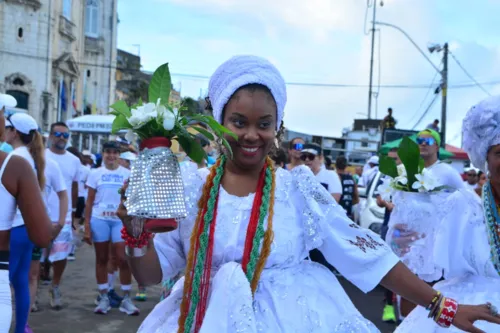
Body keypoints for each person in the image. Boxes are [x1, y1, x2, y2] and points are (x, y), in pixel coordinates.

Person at [117, 55, 498, 333]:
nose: (252, 135)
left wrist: (441, 306)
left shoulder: (297, 189)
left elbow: (366, 256)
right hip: (198, 317)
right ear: (218, 122)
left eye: (264, 124)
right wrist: (137, 233)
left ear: (277, 127)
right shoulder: (190, 187)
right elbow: (150, 275)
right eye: (238, 122)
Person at [395, 94, 500, 332]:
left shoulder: (448, 174)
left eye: (427, 141)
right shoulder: (463, 206)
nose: (423, 144)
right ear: (485, 158)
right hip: (472, 307)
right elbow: (421, 255)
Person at [0, 93, 52, 332]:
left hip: (15, 229)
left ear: (14, 132)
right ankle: (21, 328)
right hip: (25, 229)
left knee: (7, 284)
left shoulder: (14, 158)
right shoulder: (26, 157)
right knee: (19, 281)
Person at [84, 141, 139, 315]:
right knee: (101, 259)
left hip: (119, 220)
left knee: (123, 258)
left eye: (114, 152)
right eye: (107, 152)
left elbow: (132, 200)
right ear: (103, 153)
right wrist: (86, 226)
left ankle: (126, 298)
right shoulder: (95, 174)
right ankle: (104, 297)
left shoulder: (127, 174)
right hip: (99, 219)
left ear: (119, 155)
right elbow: (90, 201)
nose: (111, 155)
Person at [44, 122, 81, 309]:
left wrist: (73, 214)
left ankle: (55, 286)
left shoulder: (74, 161)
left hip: (63, 215)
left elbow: (74, 187)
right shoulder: (39, 156)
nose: (61, 138)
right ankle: (31, 292)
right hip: (40, 212)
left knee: (61, 255)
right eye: (58, 134)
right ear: (50, 135)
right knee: (37, 257)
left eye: (65, 135)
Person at [335, 155, 359, 220]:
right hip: (348, 214)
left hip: (336, 214)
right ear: (346, 166)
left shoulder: (334, 178)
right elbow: (356, 198)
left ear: (335, 165)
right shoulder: (352, 179)